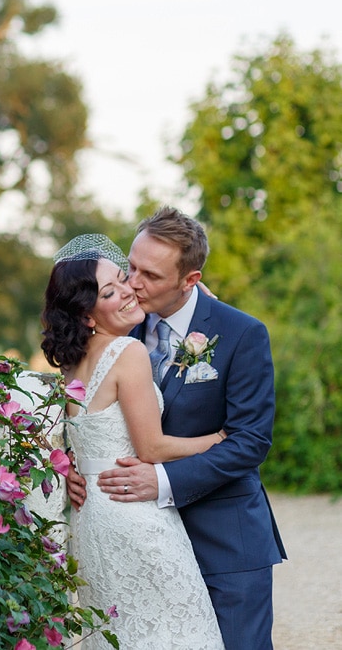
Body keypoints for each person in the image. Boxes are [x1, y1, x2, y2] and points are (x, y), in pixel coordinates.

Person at [67, 208, 286, 650]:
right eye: (130, 267)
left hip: (225, 539)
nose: (132, 283)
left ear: (190, 280)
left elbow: (250, 441)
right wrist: (74, 466)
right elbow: (86, 408)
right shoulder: (120, 322)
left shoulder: (241, 334)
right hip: (138, 544)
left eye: (149, 274)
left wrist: (162, 480)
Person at [43, 233, 225, 648]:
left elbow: (80, 437)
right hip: (135, 514)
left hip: (92, 519)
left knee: (118, 633)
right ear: (88, 315)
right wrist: (217, 439)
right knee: (180, 630)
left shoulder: (72, 364)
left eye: (123, 279)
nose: (129, 291)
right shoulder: (128, 351)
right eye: (111, 291)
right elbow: (152, 450)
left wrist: (71, 464)